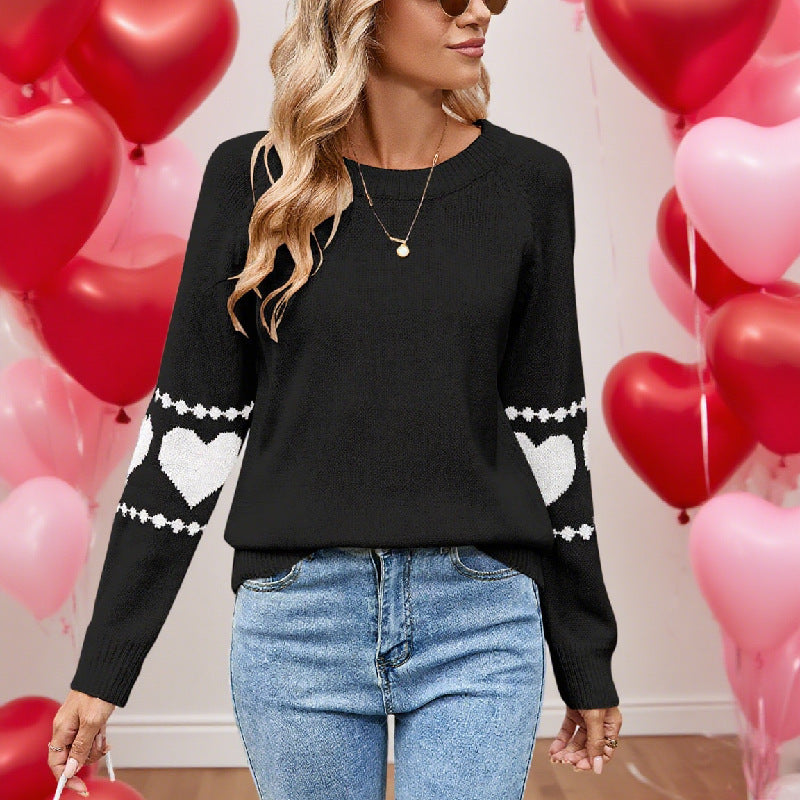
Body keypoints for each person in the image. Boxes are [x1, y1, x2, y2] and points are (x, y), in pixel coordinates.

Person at [48, 0, 623, 797]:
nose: (479, 12)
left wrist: (585, 654)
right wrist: (106, 666)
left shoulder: (531, 182)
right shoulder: (254, 181)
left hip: (482, 617)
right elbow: (187, 438)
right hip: (298, 625)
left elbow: (551, 435)